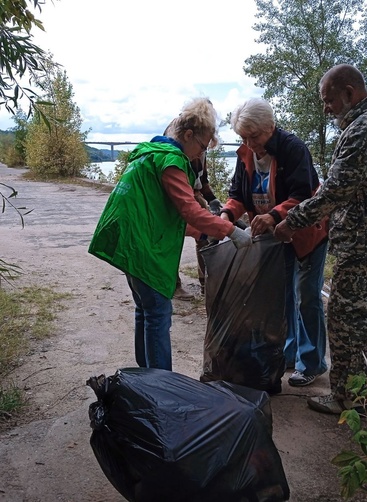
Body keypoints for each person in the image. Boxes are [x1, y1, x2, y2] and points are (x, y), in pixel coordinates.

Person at [274, 64, 367, 414]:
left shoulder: (365, 129)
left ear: (349, 93)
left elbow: (335, 190)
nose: (326, 108)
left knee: (345, 320)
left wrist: (292, 221)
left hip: (365, 241)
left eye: (329, 100)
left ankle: (347, 398)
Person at [88, 97, 252, 371]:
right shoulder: (172, 160)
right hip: (141, 244)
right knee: (158, 314)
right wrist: (231, 230)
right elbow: (189, 210)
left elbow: (164, 213)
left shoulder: (150, 153)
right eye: (201, 147)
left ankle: (146, 377)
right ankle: (161, 385)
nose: (199, 155)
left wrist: (202, 233)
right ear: (188, 135)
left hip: (128, 240)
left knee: (146, 311)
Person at [219, 97, 329, 387]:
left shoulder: (293, 149)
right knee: (282, 299)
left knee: (307, 295)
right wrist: (228, 212)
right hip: (274, 238)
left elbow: (305, 194)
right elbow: (238, 194)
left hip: (308, 234)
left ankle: (313, 362)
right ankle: (289, 353)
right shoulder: (246, 154)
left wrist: (274, 215)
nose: (250, 143)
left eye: (254, 136)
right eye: (244, 137)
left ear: (270, 127)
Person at [173, 155, 223, 300]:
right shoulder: (176, 149)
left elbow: (202, 179)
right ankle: (173, 285)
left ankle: (206, 283)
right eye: (203, 145)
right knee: (174, 238)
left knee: (204, 239)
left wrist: (211, 198)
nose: (204, 149)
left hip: (196, 196)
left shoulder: (202, 148)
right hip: (178, 197)